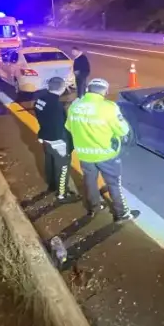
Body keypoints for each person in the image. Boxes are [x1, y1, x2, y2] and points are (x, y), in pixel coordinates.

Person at [66, 78, 137, 223]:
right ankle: (121, 214)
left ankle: (94, 208)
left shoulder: (75, 106)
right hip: (106, 154)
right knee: (113, 183)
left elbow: (69, 127)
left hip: (84, 154)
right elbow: (123, 130)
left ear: (88, 90)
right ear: (105, 91)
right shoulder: (109, 107)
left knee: (90, 181)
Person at [34, 77, 79, 203]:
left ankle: (52, 186)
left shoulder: (40, 99)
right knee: (62, 167)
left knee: (50, 163)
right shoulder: (56, 105)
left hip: (45, 137)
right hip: (57, 140)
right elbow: (60, 125)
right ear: (62, 87)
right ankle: (62, 194)